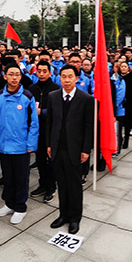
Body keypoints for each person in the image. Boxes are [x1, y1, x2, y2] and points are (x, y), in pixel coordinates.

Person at [43, 65, 94, 234]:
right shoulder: (53, 96)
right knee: (62, 184)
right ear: (60, 78)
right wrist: (49, 144)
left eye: (70, 76)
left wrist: (86, 149)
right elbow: (49, 122)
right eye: (63, 76)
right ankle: (63, 214)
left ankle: (74, 218)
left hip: (75, 149)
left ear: (76, 78)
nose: (66, 80)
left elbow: (89, 127)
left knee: (74, 185)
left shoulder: (85, 98)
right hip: (57, 147)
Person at [0, 63, 40, 225]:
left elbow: (34, 123)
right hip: (4, 144)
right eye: (10, 74)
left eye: (17, 75)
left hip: (21, 145)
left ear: (21, 77)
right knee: (8, 176)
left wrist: (31, 144)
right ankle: (9, 203)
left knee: (21, 178)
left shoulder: (27, 96)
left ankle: (20, 207)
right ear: (5, 76)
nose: (14, 77)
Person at [30, 61, 61, 201]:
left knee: (51, 160)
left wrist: (41, 112)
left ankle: (51, 187)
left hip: (51, 129)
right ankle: (42, 184)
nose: (41, 74)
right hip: (36, 130)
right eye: (39, 71)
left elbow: (58, 111)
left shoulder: (55, 89)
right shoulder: (32, 88)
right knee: (40, 159)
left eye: (44, 71)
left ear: (49, 72)